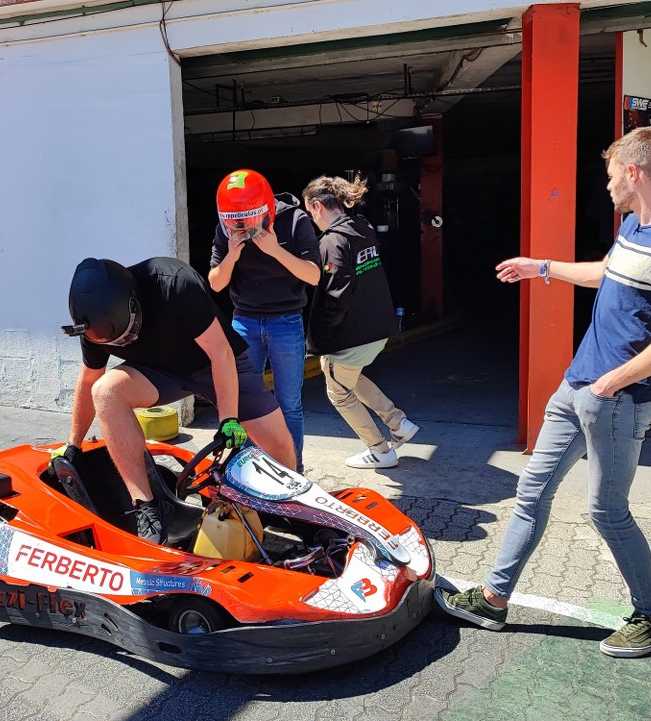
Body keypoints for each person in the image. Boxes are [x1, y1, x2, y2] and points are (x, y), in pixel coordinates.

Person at [435, 127, 651, 659]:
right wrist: (540, 268)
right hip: (577, 384)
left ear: (633, 173)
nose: (607, 187)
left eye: (610, 177)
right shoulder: (633, 225)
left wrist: (612, 382)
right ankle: (493, 599)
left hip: (619, 398)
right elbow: (606, 273)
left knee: (607, 512)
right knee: (531, 493)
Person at [59, 256, 296, 543]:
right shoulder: (93, 323)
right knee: (105, 391)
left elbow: (220, 352)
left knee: (279, 442)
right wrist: (73, 446)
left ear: (133, 303)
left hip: (213, 363)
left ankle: (290, 508)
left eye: (128, 334)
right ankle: (146, 507)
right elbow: (89, 380)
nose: (124, 343)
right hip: (158, 372)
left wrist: (228, 419)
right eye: (116, 342)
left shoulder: (175, 283)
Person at [301, 174, 419, 469]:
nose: (311, 219)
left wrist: (320, 339)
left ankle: (380, 451)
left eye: (309, 211)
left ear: (317, 206)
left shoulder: (332, 241)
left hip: (354, 335)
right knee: (344, 376)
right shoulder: (361, 227)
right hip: (377, 327)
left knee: (338, 393)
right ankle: (398, 422)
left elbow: (337, 295)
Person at [208, 169, 319, 471]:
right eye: (235, 222)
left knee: (288, 405)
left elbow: (313, 275)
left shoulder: (294, 220)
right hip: (244, 321)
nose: (243, 227)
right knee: (244, 402)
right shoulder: (227, 228)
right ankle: (248, 472)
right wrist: (231, 256)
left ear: (266, 211)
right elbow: (216, 284)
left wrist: (274, 250)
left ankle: (293, 471)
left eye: (248, 221)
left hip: (286, 321)